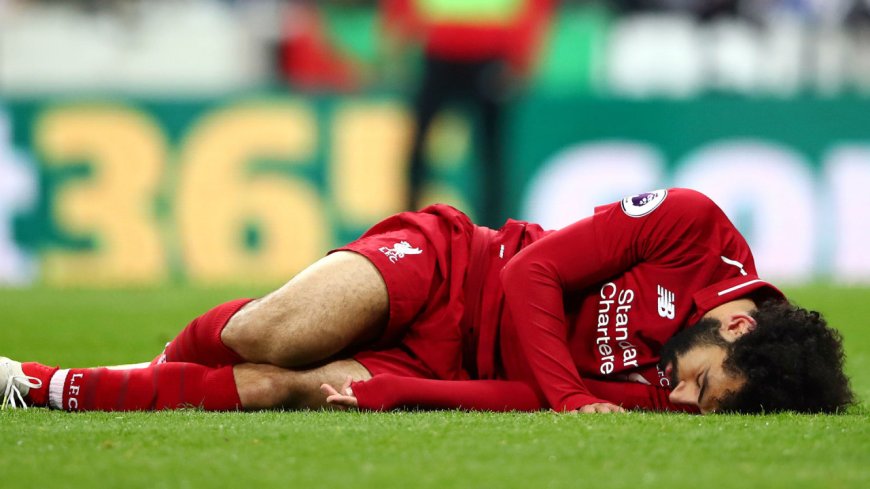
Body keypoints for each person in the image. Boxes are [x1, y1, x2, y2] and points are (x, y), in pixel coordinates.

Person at [1, 189, 854, 414]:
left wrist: (396, 389)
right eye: (699, 381)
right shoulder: (690, 224)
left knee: (284, 386)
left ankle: (35, 384)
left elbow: (520, 394)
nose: (680, 398)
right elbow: (531, 275)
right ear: (735, 322)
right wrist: (572, 398)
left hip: (450, 363)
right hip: (453, 265)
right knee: (274, 332)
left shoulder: (697, 397)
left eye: (700, 403)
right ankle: (165, 363)